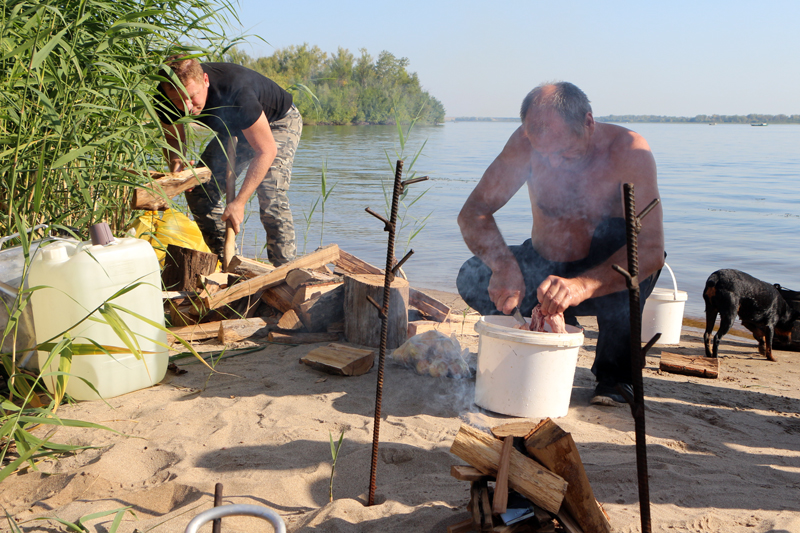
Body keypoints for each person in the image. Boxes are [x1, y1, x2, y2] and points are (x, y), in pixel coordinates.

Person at [457, 82, 665, 406]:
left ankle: (615, 374)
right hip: (544, 268)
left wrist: (581, 286)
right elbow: (473, 213)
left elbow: (652, 249)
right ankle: (545, 336)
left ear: (588, 123)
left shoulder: (627, 150)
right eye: (543, 154)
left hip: (603, 280)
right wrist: (504, 266)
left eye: (564, 152)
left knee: (632, 259)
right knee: (473, 275)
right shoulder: (522, 143)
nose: (553, 163)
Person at [155, 56, 302, 266]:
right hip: (234, 130)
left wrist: (239, 203)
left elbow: (266, 150)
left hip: (277, 122)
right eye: (178, 100)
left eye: (192, 97)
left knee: (270, 192)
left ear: (205, 80)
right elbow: (172, 136)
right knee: (199, 191)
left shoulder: (236, 92)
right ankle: (229, 263)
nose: (186, 107)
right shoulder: (163, 97)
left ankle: (286, 271)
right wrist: (178, 165)